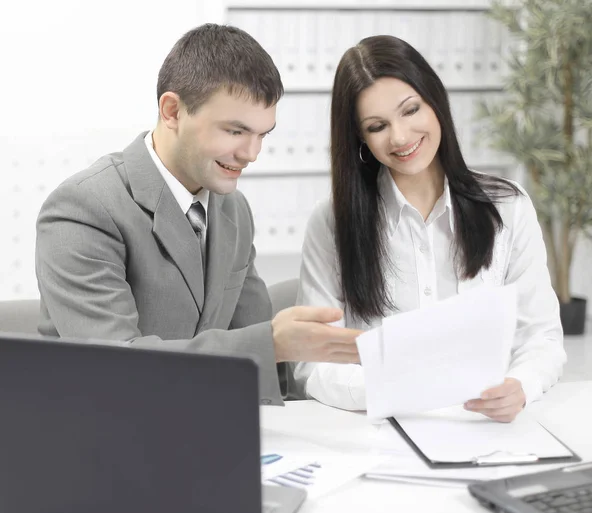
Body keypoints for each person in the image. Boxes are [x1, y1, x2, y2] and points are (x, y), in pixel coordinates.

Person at [35, 24, 362, 406]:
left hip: (205, 425)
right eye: (235, 130)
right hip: (99, 436)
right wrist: (270, 344)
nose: (251, 153)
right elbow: (118, 367)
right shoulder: (83, 209)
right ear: (172, 111)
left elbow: (264, 367)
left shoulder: (233, 209)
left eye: (263, 134)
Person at [295, 35, 565, 422]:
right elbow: (313, 363)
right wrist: (392, 390)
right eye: (377, 126)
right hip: (381, 431)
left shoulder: (507, 207)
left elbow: (542, 338)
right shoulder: (332, 222)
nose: (401, 137)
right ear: (359, 138)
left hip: (486, 428)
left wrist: (521, 385)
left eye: (410, 110)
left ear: (434, 100)